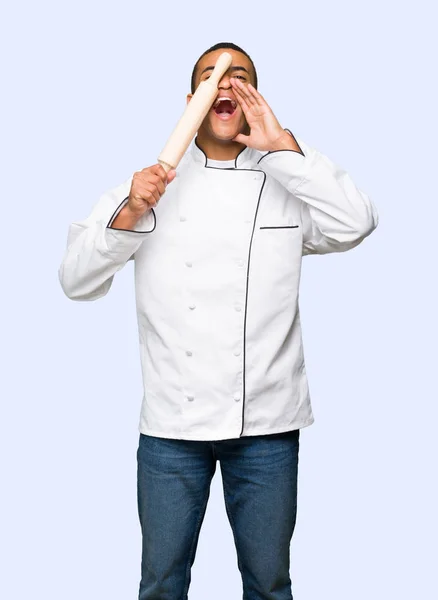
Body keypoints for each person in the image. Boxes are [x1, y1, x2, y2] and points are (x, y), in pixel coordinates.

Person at [59, 42, 378, 600]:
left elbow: (355, 222)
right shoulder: (149, 187)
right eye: (212, 76)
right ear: (192, 100)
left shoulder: (287, 182)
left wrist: (283, 148)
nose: (225, 83)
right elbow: (75, 281)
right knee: (161, 584)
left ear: (255, 98)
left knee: (270, 585)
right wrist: (132, 211)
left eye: (240, 76)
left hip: (268, 425)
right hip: (171, 430)